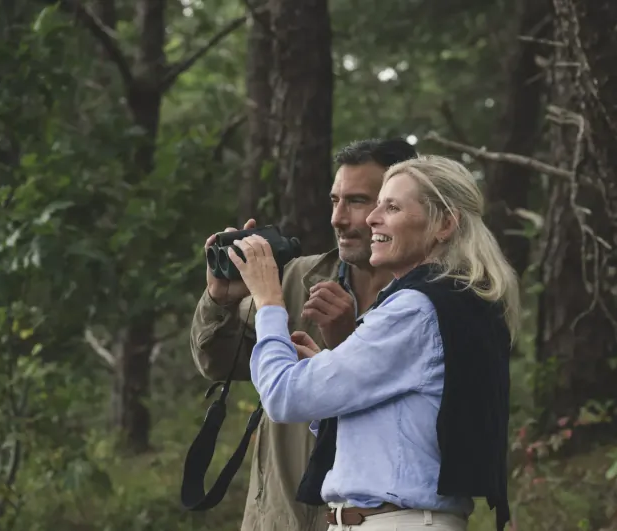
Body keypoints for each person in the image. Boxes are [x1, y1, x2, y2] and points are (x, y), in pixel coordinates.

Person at [229, 155, 520, 531]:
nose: (371, 218)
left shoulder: (414, 309)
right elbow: (408, 430)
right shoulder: (458, 301)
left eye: (392, 206)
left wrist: (268, 299)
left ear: (445, 223)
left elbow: (284, 396)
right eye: (377, 203)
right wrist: (332, 367)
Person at [190, 138, 418, 531]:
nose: (339, 218)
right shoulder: (297, 279)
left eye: (358, 201)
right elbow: (217, 361)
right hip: (279, 519)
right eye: (335, 201)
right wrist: (220, 300)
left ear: (395, 208)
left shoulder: (423, 304)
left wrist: (345, 342)